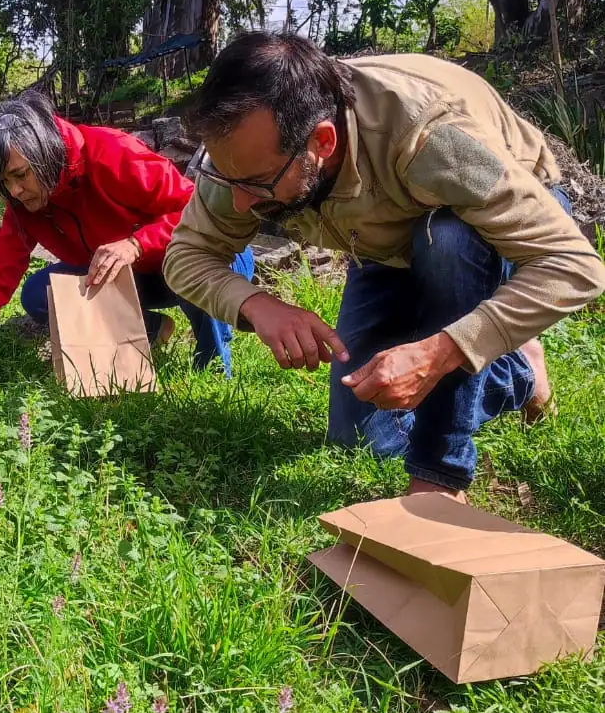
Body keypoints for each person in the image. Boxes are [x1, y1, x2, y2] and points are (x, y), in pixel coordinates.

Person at [164, 31, 605, 497]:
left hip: (493, 220)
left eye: (255, 182)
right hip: (383, 246)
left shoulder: (431, 137)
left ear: (323, 141)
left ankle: (439, 471)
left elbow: (575, 265)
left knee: (449, 241)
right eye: (228, 178)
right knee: (362, 434)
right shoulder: (243, 155)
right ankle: (517, 369)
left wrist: (443, 352)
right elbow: (185, 256)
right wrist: (256, 303)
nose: (238, 201)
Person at [0, 91, 255, 370]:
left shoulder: (110, 151)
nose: (14, 191)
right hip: (138, 277)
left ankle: (212, 367)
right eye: (4, 182)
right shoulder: (25, 204)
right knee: (41, 293)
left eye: (20, 175)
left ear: (43, 154)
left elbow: (197, 213)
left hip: (206, 256)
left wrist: (136, 244)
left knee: (192, 262)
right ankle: (152, 329)